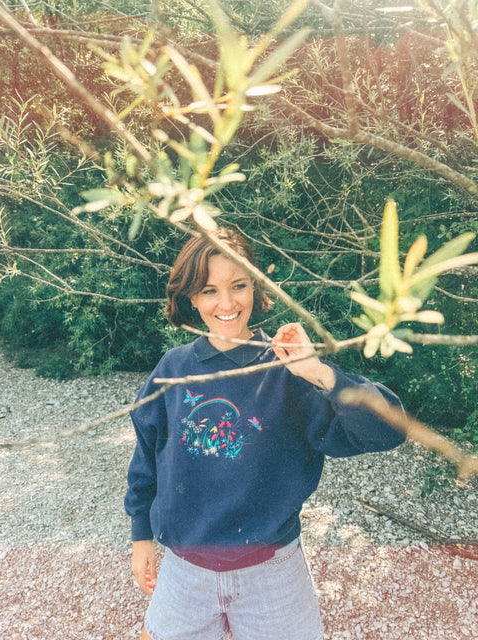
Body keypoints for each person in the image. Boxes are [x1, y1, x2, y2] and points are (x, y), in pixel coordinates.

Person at [125, 227, 405, 640]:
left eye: (238, 285)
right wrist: (140, 536)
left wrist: (319, 372)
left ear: (256, 286)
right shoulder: (172, 368)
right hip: (185, 569)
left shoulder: (287, 371)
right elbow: (147, 455)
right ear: (190, 296)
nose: (226, 303)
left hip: (272, 570)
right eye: (208, 290)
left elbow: (387, 431)